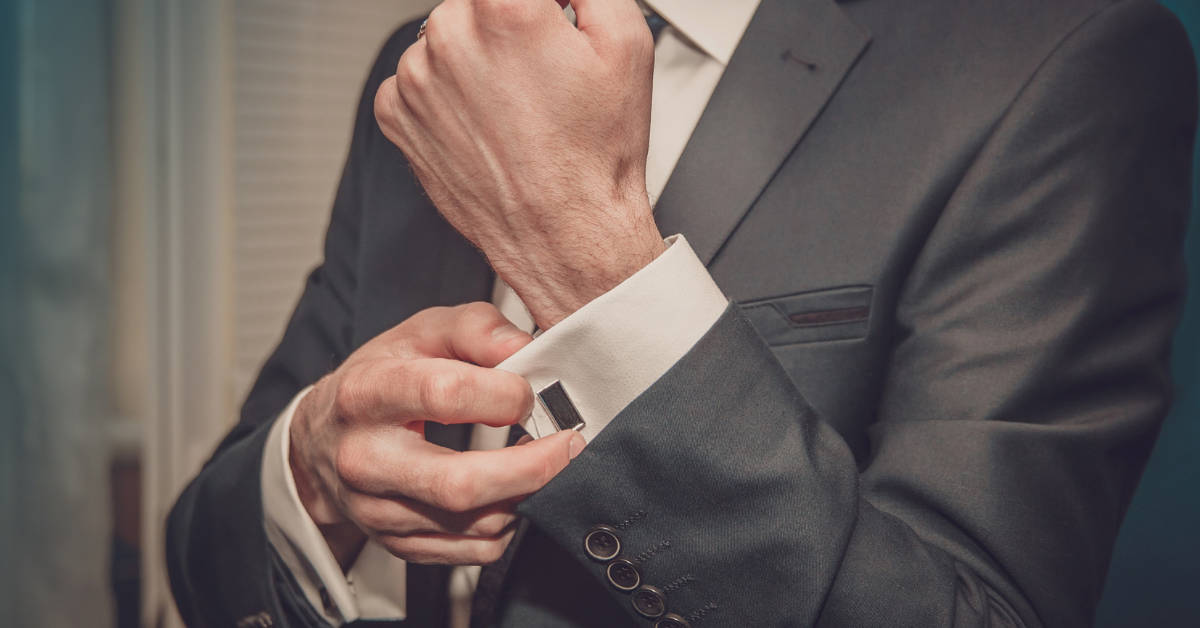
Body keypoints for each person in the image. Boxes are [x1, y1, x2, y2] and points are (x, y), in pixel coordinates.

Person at [166, 0, 1197, 626]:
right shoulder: (426, 67)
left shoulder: (1060, 63)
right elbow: (202, 550)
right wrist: (308, 469)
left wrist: (588, 263)